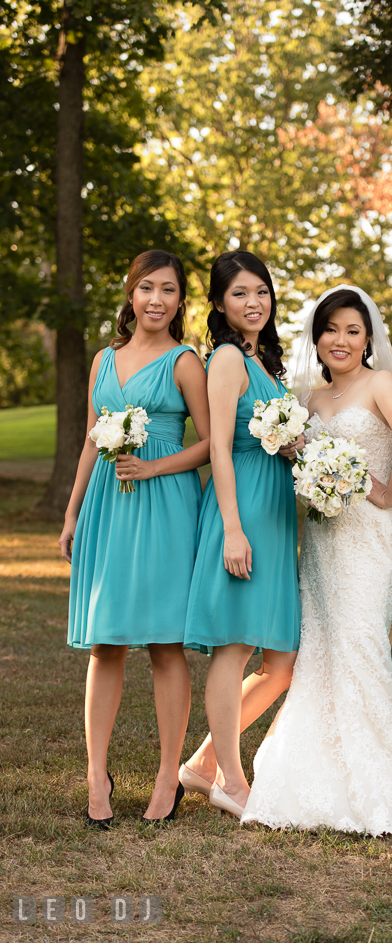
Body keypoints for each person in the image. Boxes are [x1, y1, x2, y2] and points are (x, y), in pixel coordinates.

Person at [241, 285, 392, 837]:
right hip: (322, 539)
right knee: (323, 651)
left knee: (361, 646)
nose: (340, 339)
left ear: (367, 338)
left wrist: (386, 492)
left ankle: (383, 777)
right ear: (318, 336)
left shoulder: (380, 382)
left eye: (352, 330)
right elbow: (303, 463)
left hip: (367, 540)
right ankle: (319, 770)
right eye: (330, 329)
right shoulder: (310, 397)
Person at [60, 249, 210, 827]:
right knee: (107, 643)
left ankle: (168, 775)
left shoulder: (184, 362)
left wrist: (155, 467)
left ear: (179, 301)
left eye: (168, 290)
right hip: (108, 504)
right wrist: (73, 513)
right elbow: (93, 442)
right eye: (146, 288)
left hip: (167, 505)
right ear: (131, 294)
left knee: (166, 645)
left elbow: (208, 444)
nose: (155, 300)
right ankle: (97, 774)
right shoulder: (103, 360)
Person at [181, 251, 300, 818]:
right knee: (234, 646)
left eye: (262, 292)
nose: (254, 303)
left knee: (281, 662)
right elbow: (220, 449)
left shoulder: (268, 364)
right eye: (240, 294)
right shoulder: (227, 359)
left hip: (275, 512)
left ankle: (202, 764)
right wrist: (231, 528)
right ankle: (231, 776)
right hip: (242, 508)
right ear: (220, 304)